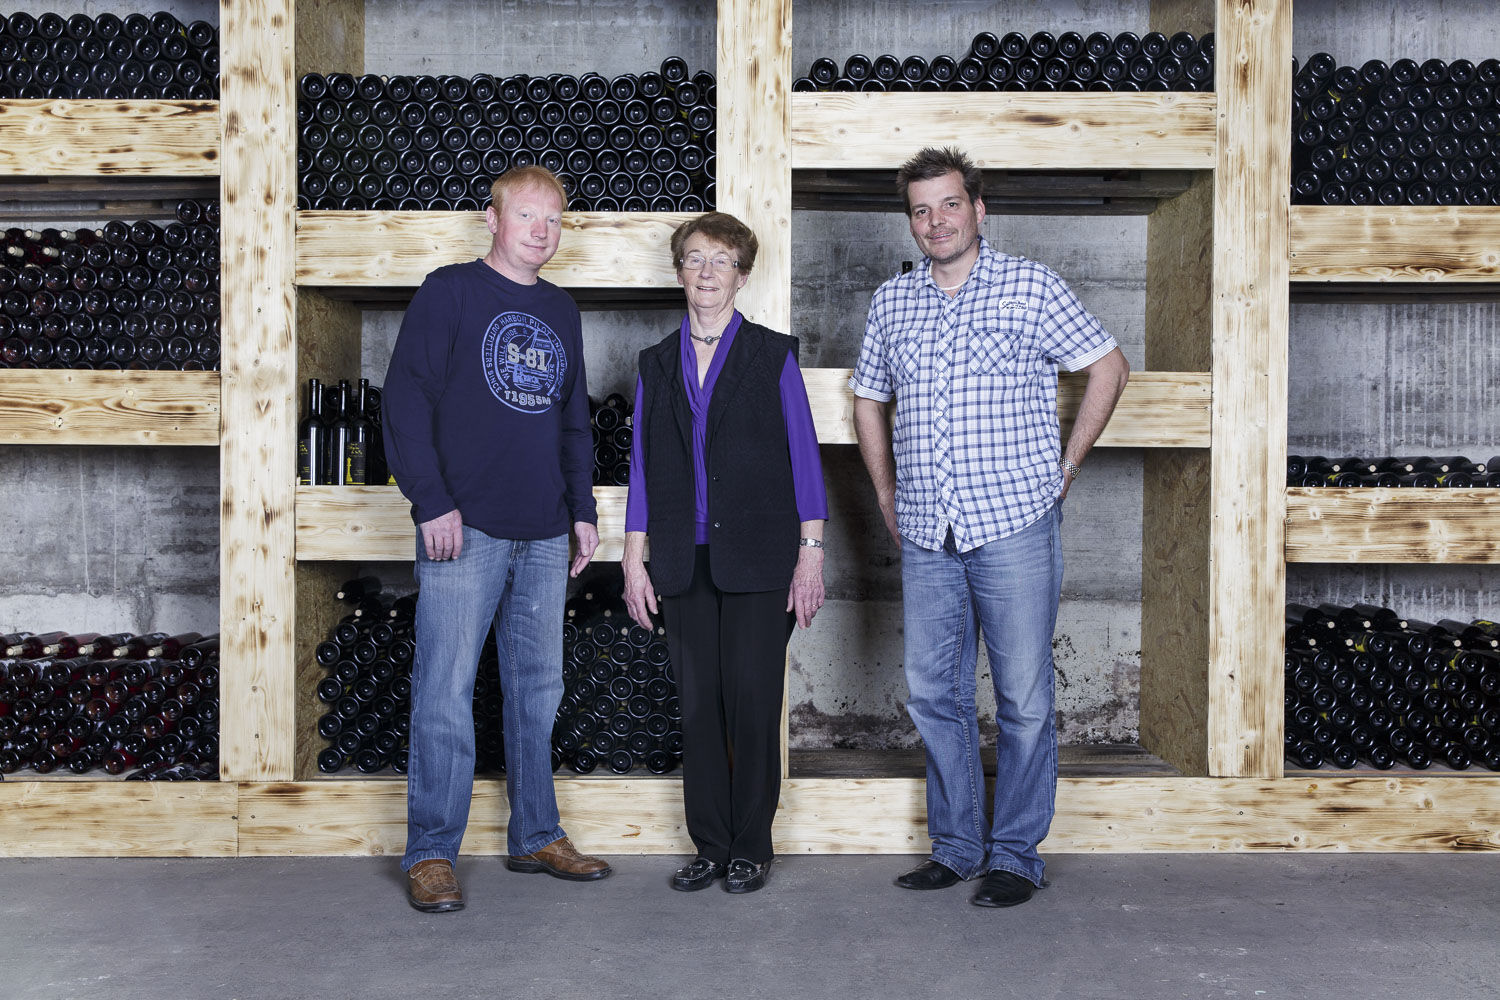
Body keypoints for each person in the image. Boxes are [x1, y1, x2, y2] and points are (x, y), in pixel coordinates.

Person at [851, 147, 1129, 908]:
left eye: (949, 204)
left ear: (978, 209)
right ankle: (956, 845)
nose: (935, 221)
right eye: (920, 209)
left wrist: (1066, 465)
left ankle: (1013, 855)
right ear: (909, 221)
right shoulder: (892, 301)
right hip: (927, 532)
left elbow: (1108, 366)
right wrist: (885, 490)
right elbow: (869, 397)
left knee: (1024, 699)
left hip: (1014, 525)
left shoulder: (1031, 287)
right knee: (934, 693)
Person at [383, 166, 610, 913]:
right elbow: (406, 402)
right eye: (526, 217)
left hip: (545, 531)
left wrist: (582, 508)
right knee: (444, 692)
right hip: (465, 527)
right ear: (493, 219)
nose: (540, 231)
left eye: (553, 220)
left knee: (537, 690)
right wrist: (431, 502)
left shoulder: (563, 310)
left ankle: (536, 834)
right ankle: (430, 852)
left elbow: (571, 419)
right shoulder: (449, 292)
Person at [621, 212, 828, 895]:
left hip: (762, 560)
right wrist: (632, 560)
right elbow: (645, 471)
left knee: (751, 699)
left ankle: (751, 844)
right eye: (695, 258)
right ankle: (709, 844)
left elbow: (804, 460)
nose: (707, 272)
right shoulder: (655, 363)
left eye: (722, 261)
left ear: (743, 275)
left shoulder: (772, 356)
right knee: (697, 707)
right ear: (678, 270)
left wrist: (811, 555)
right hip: (683, 558)